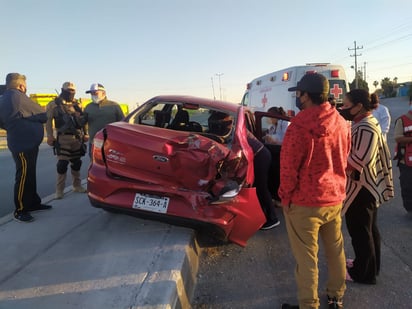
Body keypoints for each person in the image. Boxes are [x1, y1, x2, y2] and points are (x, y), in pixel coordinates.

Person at [279, 73, 350, 309]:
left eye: (298, 93)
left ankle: (309, 304)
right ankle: (336, 297)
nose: (297, 98)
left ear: (306, 96)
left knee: (307, 258)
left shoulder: (298, 126)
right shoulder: (341, 122)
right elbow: (344, 158)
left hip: (304, 203)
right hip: (334, 198)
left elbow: (289, 169)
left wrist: (285, 197)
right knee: (335, 249)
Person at [340, 89, 394, 285]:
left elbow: (356, 161)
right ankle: (369, 265)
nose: (342, 109)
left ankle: (364, 274)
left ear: (359, 106)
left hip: (363, 188)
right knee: (369, 229)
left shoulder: (366, 127)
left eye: (346, 105)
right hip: (365, 186)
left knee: (360, 231)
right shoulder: (363, 123)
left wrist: (333, 159)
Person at [208, 111, 280, 229]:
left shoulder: (232, 130)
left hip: (260, 156)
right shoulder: (230, 126)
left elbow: (233, 151)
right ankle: (263, 215)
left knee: (261, 187)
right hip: (258, 155)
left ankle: (272, 219)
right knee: (258, 187)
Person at [0, 73, 52, 222]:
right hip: (23, 144)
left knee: (29, 174)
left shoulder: (4, 98)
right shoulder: (18, 96)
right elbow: (43, 115)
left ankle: (33, 203)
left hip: (22, 142)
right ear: (21, 86)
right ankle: (20, 209)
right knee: (23, 176)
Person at [46, 82, 88, 199]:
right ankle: (59, 190)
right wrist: (50, 136)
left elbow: (83, 120)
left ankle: (77, 185)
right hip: (63, 138)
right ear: (62, 90)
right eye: (68, 90)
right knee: (62, 164)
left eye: (72, 90)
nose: (70, 92)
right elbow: (48, 121)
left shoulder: (76, 104)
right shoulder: (53, 104)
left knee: (76, 163)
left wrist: (86, 134)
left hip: (77, 138)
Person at [83, 83, 124, 156]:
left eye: (95, 93)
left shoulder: (114, 106)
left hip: (111, 142)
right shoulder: (88, 107)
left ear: (103, 93)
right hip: (94, 142)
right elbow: (83, 123)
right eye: (91, 94)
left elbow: (123, 123)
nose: (93, 95)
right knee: (95, 164)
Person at [263, 106, 290, 205]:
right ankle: (275, 197)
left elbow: (285, 139)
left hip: (282, 153)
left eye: (269, 117)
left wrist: (273, 139)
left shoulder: (284, 123)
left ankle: (280, 199)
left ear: (274, 116)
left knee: (279, 177)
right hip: (274, 152)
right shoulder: (273, 125)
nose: (268, 120)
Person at [393, 97, 412, 214]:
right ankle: (410, 209)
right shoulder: (402, 120)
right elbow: (398, 138)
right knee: (408, 186)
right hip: (406, 161)